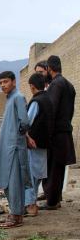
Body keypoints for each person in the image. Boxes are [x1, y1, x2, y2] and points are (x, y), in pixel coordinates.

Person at [0, 71, 31, 228]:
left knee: (14, 183)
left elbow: (25, 122)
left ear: (14, 81)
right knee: (8, 182)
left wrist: (17, 137)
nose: (2, 85)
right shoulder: (10, 98)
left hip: (13, 147)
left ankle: (16, 215)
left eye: (5, 82)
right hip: (8, 146)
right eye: (0, 83)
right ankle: (15, 213)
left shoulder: (18, 97)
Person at [41, 55, 76, 210]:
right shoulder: (69, 85)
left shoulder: (56, 85)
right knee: (58, 168)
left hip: (56, 134)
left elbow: (51, 110)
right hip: (65, 131)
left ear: (49, 68)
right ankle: (55, 198)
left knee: (53, 168)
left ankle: (52, 202)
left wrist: (45, 132)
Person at [24, 73, 53, 217]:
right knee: (37, 175)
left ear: (32, 86)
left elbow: (27, 122)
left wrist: (27, 136)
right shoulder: (48, 99)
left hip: (34, 144)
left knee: (31, 176)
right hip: (44, 145)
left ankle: (31, 205)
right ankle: (31, 202)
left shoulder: (36, 102)